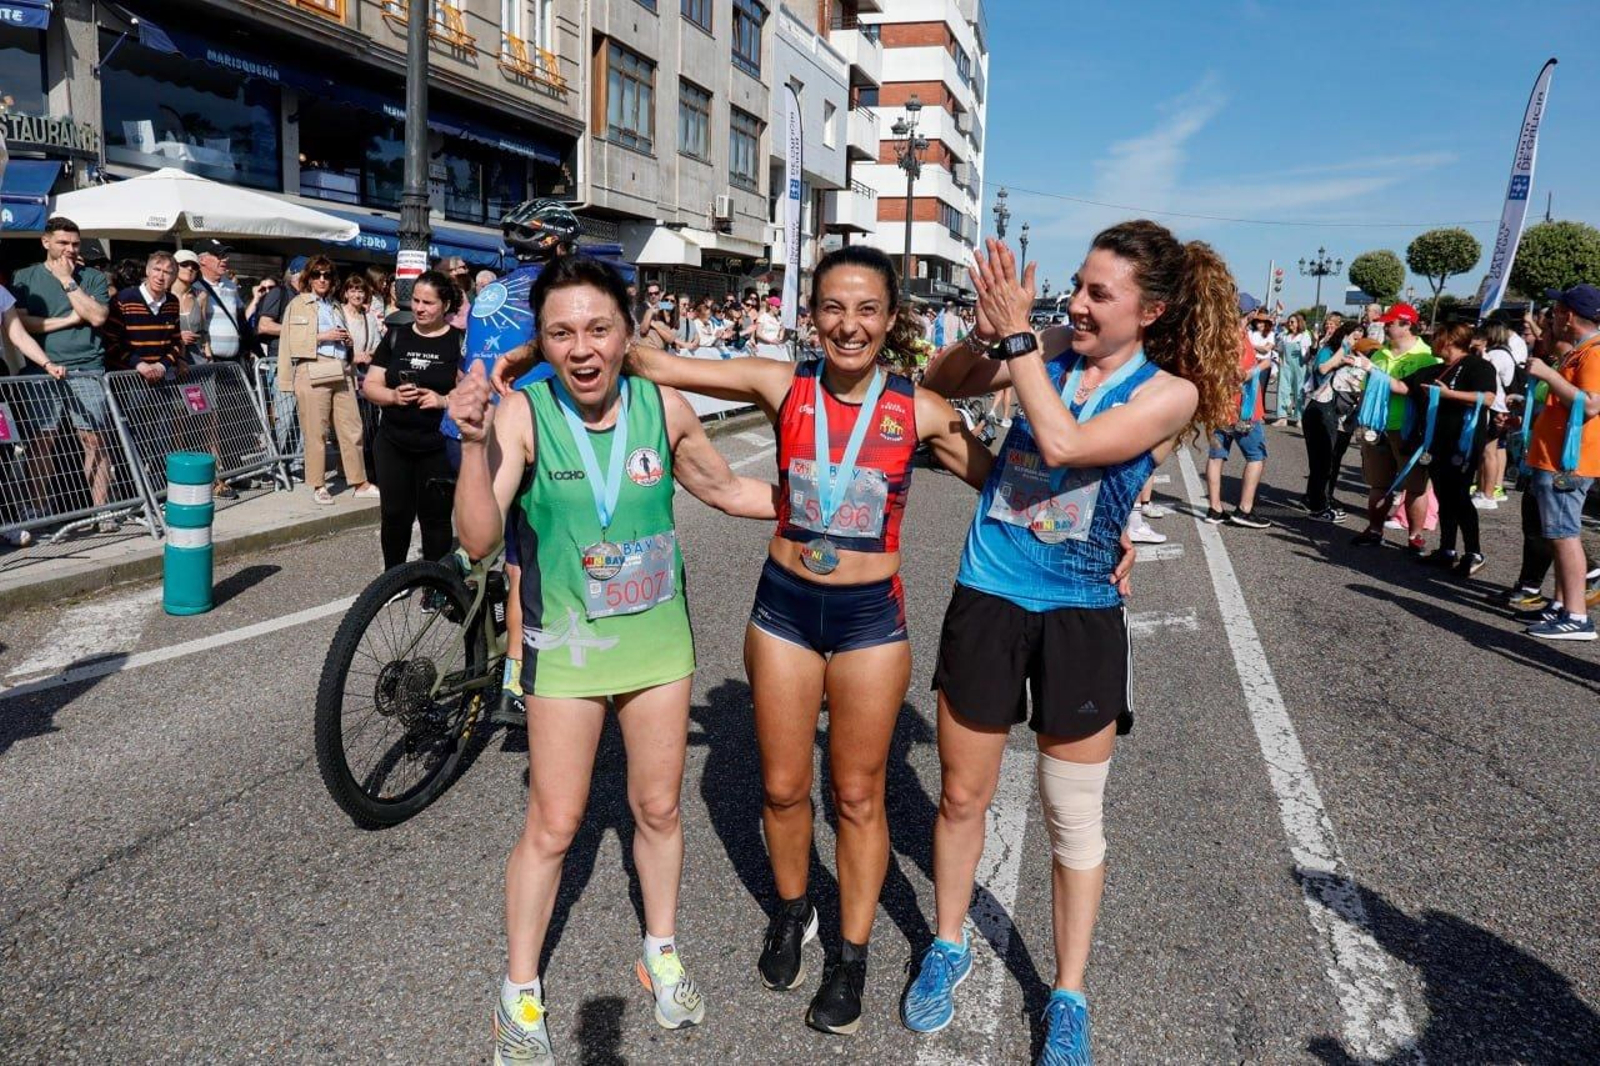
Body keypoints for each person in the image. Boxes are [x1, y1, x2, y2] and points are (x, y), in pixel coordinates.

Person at [599, 245, 994, 1036]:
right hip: (782, 608)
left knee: (856, 793)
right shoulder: (781, 382)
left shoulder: (919, 410)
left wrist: (1102, 527)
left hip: (869, 622)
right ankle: (792, 913)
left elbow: (1010, 488)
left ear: (890, 320)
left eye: (868, 310)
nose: (850, 326)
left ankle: (851, 954)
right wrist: (528, 346)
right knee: (781, 788)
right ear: (811, 316)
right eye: (834, 309)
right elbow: (644, 360)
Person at [909, 224, 1238, 1064]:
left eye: (1100, 293)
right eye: (1078, 286)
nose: (1078, 304)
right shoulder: (1045, 343)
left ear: (1151, 310)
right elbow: (936, 389)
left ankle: (1067, 993)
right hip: (989, 594)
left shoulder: (1169, 393)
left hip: (1081, 613)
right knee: (959, 798)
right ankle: (948, 941)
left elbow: (1064, 443)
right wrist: (989, 335)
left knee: (1073, 820)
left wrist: (1021, 339)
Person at [448, 255, 780, 1063]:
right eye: (561, 332)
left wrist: (840, 503)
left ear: (628, 333)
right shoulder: (523, 414)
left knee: (658, 810)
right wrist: (471, 442)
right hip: (567, 645)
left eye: (599, 328)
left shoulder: (661, 406)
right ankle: (519, 992)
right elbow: (479, 539)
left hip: (658, 643)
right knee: (556, 824)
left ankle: (660, 949)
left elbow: (730, 491)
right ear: (543, 341)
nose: (583, 347)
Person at [9, 216, 114, 537]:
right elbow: (22, 325)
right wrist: (70, 319)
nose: (70, 249)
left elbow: (97, 316)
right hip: (41, 369)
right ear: (46, 242)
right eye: (63, 243)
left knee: (95, 439)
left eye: (75, 244)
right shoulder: (24, 277)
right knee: (43, 441)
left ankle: (102, 509)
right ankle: (38, 507)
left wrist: (68, 281)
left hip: (88, 367)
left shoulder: (91, 277)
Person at [1516, 284, 1600, 640]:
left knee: (1564, 536)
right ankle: (1564, 604)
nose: (1551, 316)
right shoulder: (1580, 352)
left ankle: (1577, 617)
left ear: (1568, 315)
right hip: (1557, 457)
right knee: (1558, 534)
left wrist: (1548, 375)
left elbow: (1592, 404)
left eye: (1556, 309)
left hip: (1569, 462)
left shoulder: (1594, 353)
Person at [360, 270, 461, 566]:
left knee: (435, 517)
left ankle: (436, 584)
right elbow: (370, 386)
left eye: (428, 303)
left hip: (438, 444)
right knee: (394, 515)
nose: (419, 308)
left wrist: (442, 400)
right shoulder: (396, 336)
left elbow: (473, 392)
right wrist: (392, 396)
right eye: (416, 300)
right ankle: (394, 578)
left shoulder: (459, 341)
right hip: (393, 441)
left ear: (445, 305)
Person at [275, 255, 375, 505]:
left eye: (327, 274)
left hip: (341, 369)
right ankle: (318, 484)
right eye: (317, 274)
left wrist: (347, 343)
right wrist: (324, 336)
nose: (322, 279)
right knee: (316, 432)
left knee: (352, 428)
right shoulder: (298, 304)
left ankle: (359, 482)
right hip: (313, 368)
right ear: (308, 277)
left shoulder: (334, 306)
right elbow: (292, 343)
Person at [1402, 323, 1498, 576]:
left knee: (1460, 496)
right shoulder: (1434, 369)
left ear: (1449, 340)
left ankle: (1474, 552)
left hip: (1463, 443)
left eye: (1436, 337)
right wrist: (1369, 371)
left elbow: (1487, 398)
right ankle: (1447, 549)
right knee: (1444, 497)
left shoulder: (1479, 366)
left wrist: (1450, 395)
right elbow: (1403, 386)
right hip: (1435, 442)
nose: (1432, 341)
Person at [1349, 303, 1438, 552]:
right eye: (1386, 323)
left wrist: (1375, 375)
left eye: (1391, 323)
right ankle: (1375, 529)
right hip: (1377, 427)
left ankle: (1415, 536)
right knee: (1378, 484)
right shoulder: (1379, 354)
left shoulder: (1427, 357)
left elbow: (1415, 391)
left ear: (1407, 324)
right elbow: (1368, 389)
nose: (1386, 327)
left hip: (1408, 429)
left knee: (1416, 487)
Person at [1204, 304, 1273, 528]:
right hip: (1242, 408)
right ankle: (1244, 509)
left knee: (1216, 457)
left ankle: (1215, 509)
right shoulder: (1236, 337)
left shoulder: (1218, 334)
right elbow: (1237, 374)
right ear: (1250, 314)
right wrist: (1261, 366)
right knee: (1256, 457)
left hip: (1219, 407)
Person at [1299, 321, 1365, 519]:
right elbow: (1321, 370)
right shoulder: (1330, 350)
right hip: (1323, 407)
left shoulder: (1361, 356)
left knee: (1334, 458)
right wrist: (1342, 351)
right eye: (1355, 333)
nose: (1358, 337)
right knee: (1322, 459)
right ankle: (1318, 503)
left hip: (1346, 414)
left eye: (1362, 333)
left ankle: (1323, 496)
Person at [1473, 321, 1518, 511]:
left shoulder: (1494, 355)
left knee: (1489, 452)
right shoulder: (1502, 354)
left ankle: (1488, 494)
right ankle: (1482, 490)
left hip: (1494, 406)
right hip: (1495, 405)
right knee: (1486, 452)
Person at [1273, 312, 1313, 426]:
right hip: (1286, 366)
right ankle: (1282, 417)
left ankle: (1300, 418)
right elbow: (1279, 350)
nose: (1290, 324)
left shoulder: (1304, 336)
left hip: (1300, 367)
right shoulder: (1285, 336)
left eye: (1292, 322)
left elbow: (1307, 355)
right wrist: (1280, 361)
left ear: (1298, 323)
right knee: (1283, 390)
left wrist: (1304, 355)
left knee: (1299, 392)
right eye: (1289, 322)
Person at [171, 251, 211, 365]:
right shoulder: (163, 295)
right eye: (184, 264)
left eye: (195, 266)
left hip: (198, 360)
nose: (190, 268)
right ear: (174, 267)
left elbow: (203, 331)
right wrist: (178, 337)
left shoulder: (201, 296)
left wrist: (208, 355)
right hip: (172, 360)